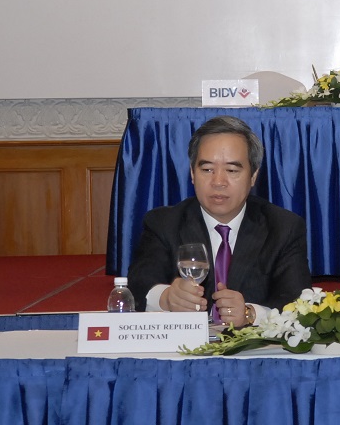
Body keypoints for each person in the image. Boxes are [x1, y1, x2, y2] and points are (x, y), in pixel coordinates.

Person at [128, 116, 311, 326]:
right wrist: (166, 297)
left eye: (232, 170)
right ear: (192, 173)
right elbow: (138, 284)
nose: (218, 182)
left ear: (253, 176)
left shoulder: (284, 227)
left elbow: (297, 302)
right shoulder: (164, 223)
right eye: (207, 170)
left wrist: (251, 314)